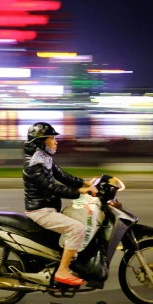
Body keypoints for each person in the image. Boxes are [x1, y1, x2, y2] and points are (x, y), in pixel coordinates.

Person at [23, 122, 98, 287]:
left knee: (80, 217)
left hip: (49, 208)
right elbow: (53, 187)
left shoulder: (44, 158)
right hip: (40, 211)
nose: (56, 141)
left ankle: (70, 260)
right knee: (78, 229)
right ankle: (62, 270)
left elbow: (62, 176)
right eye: (52, 138)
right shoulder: (34, 165)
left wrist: (85, 182)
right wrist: (81, 191)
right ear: (41, 141)